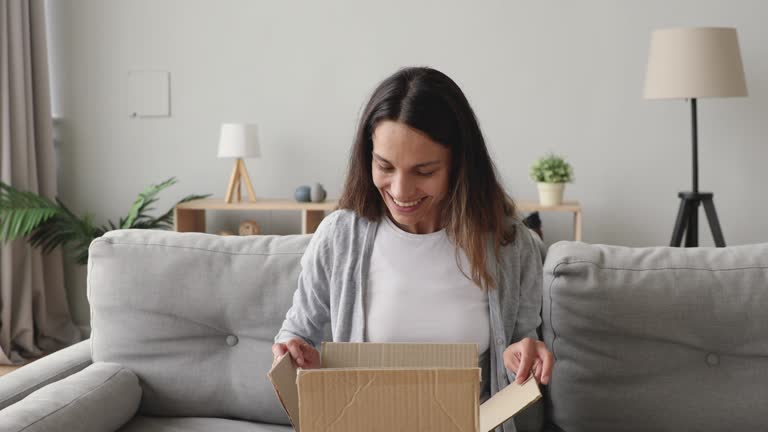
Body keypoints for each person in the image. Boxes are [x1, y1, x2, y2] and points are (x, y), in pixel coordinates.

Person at [273, 66, 553, 430]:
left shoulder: (512, 247)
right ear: (367, 157)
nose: (401, 191)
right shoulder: (339, 238)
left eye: (424, 171)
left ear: (459, 166)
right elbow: (295, 335)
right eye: (384, 166)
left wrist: (524, 355)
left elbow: (521, 345)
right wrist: (294, 354)